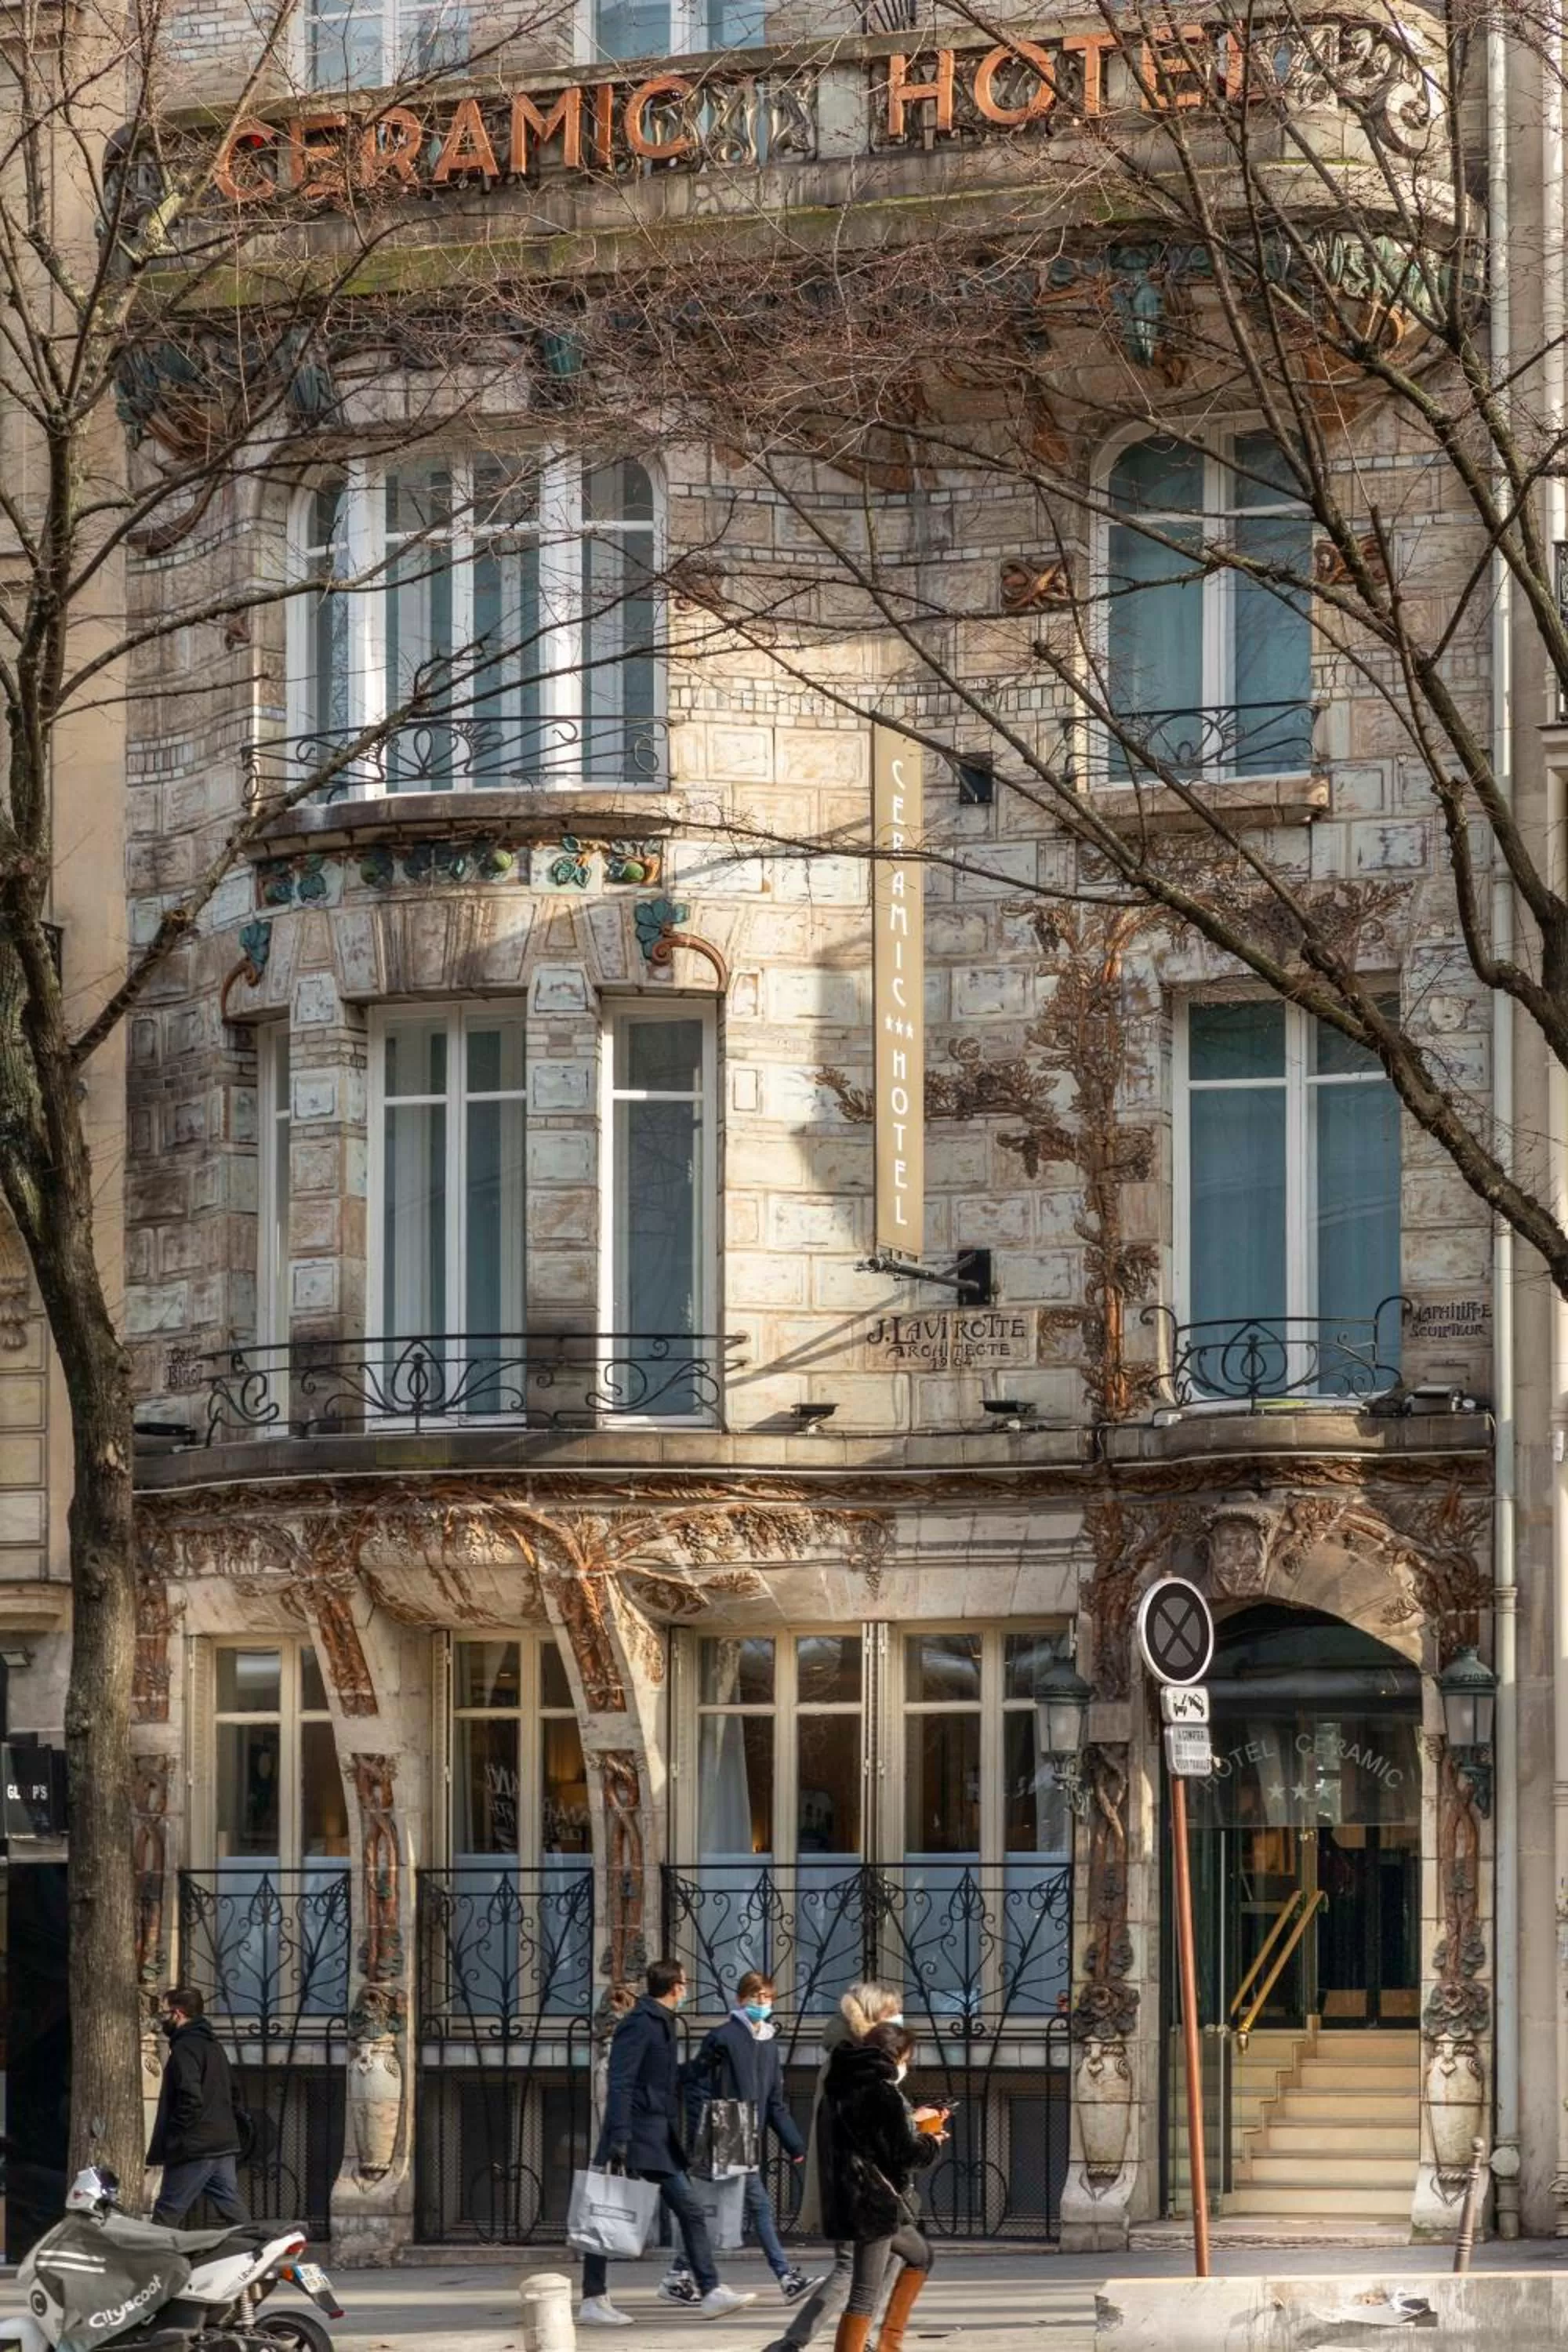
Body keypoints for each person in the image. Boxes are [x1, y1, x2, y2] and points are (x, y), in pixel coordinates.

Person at [579, 1956, 757, 2329]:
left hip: (654, 2132)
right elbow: (621, 2081)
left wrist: (701, 2066)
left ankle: (706, 2290)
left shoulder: (660, 2022)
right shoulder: (641, 2024)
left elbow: (662, 2078)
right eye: (686, 1983)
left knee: (660, 2210)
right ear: (676, 1986)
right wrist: (621, 2137)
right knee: (607, 2210)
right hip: (638, 2133)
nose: (687, 1988)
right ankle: (598, 2298)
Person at [660, 1972, 826, 2310]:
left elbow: (775, 2101)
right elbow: (697, 2086)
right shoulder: (722, 2037)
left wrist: (794, 2144)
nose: (761, 2003)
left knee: (708, 2211)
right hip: (724, 2135)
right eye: (755, 1996)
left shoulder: (768, 2044)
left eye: (766, 1997)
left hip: (745, 2137)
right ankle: (785, 2277)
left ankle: (677, 2275)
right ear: (740, 2000)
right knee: (757, 2207)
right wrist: (703, 2134)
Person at [761, 1982, 903, 2352]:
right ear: (874, 2019)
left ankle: (858, 2338)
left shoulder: (859, 2055)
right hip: (856, 2185)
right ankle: (795, 2343)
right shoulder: (852, 2061)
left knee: (896, 2257)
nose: (898, 2023)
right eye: (891, 2015)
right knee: (850, 2266)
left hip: (869, 2182)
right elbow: (858, 2126)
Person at [821, 2022, 944, 2352]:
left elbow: (867, 2140)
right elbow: (904, 2154)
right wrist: (932, 2141)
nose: (907, 2065)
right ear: (896, 2056)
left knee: (921, 2255)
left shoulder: (840, 2085)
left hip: (856, 2196)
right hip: (872, 2201)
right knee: (865, 2292)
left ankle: (890, 2344)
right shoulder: (882, 2092)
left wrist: (911, 2123)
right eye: (907, 2057)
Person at [147, 1985, 249, 2226]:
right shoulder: (214, 2047)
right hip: (222, 2143)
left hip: (195, 2146)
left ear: (178, 2014)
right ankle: (262, 2250)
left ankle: (152, 2263)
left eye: (165, 2014)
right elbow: (234, 2091)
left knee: (167, 2211)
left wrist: (176, 2133)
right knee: (232, 2209)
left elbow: (190, 2098)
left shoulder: (184, 2048)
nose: (163, 2020)